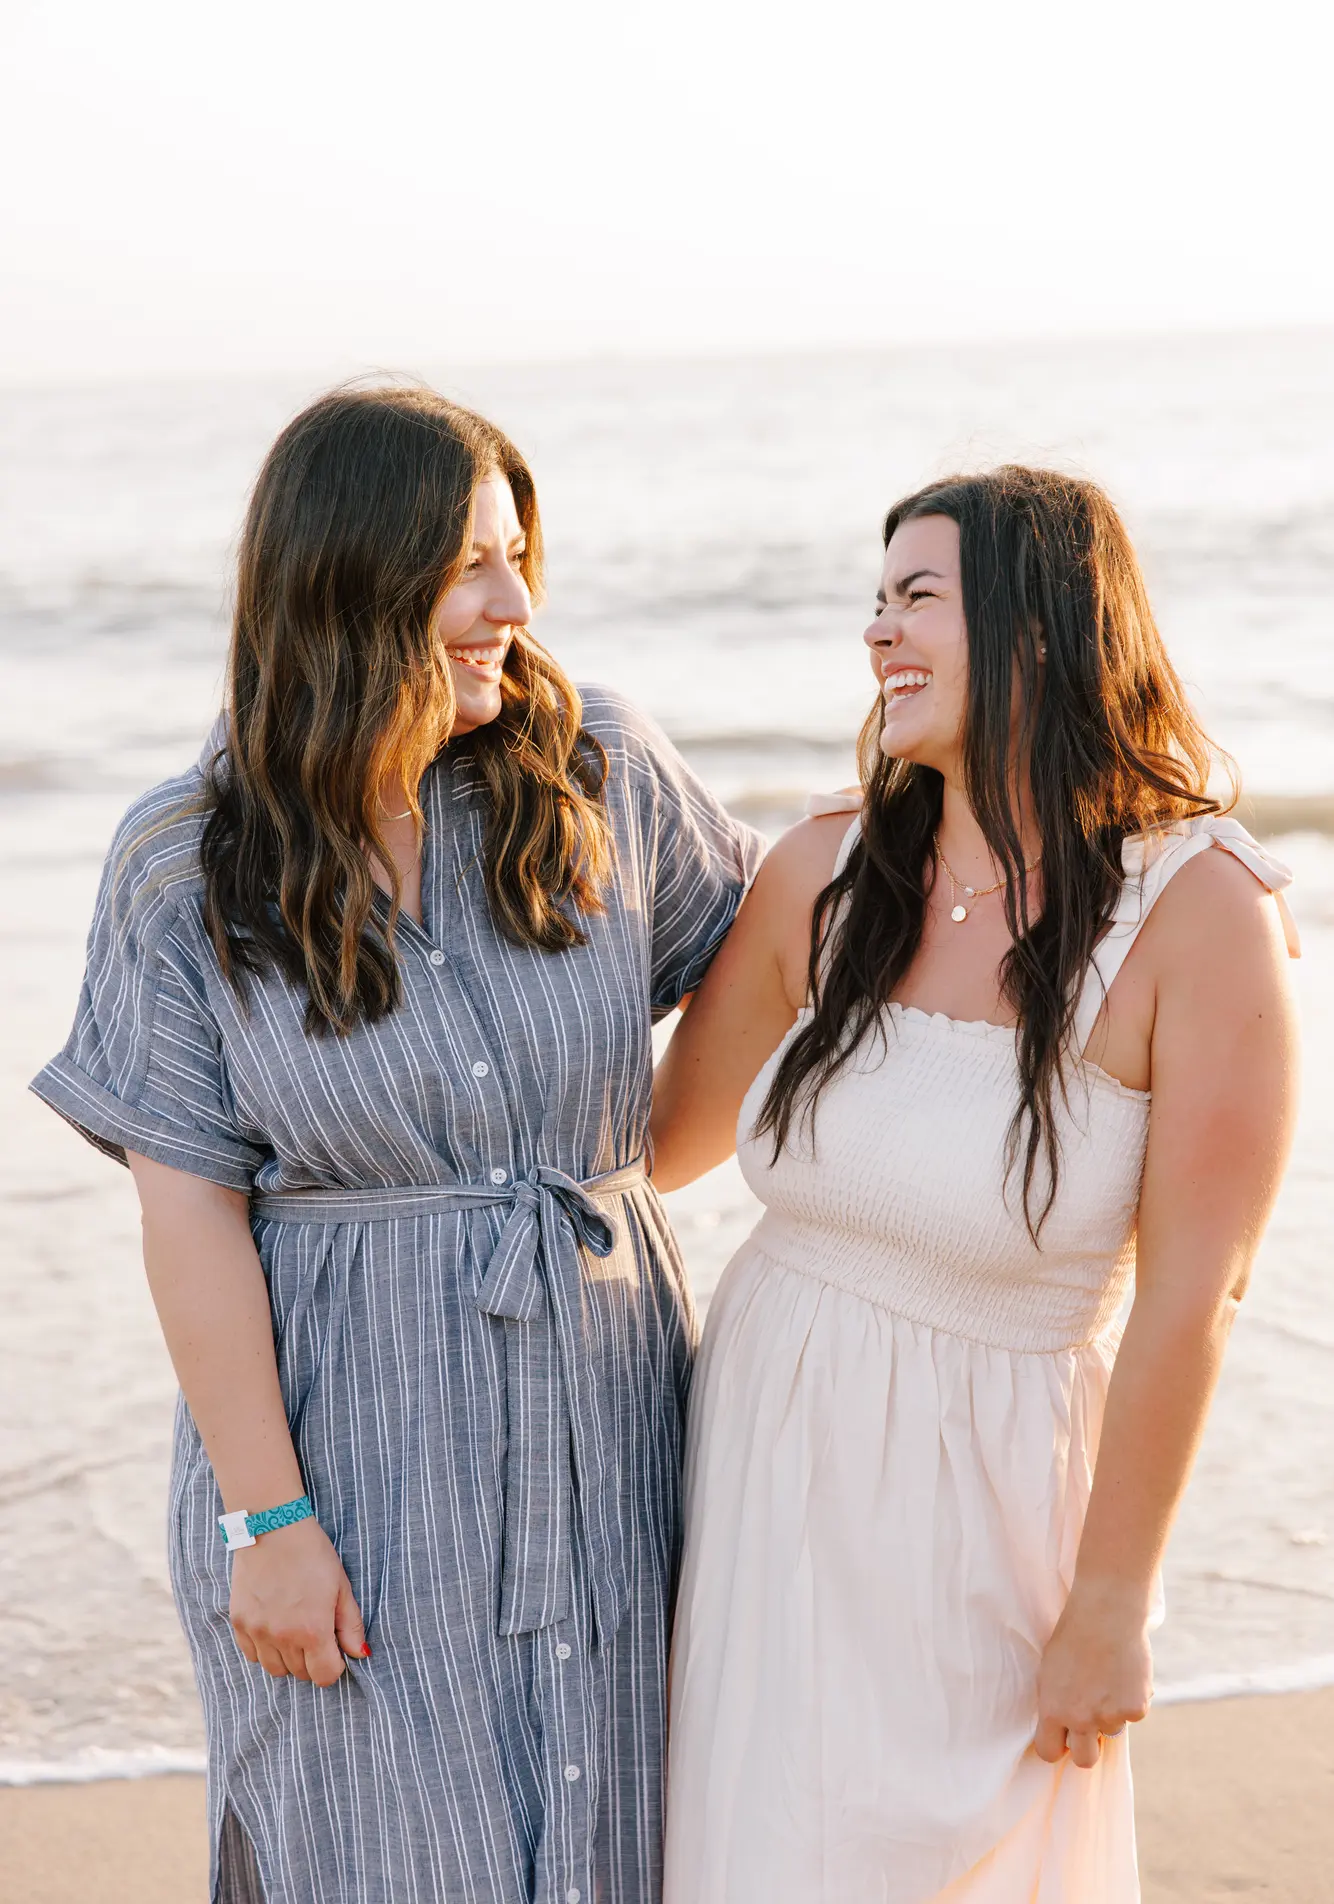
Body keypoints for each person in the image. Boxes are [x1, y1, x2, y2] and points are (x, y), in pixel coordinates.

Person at [32, 384, 761, 1904]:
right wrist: (270, 1522)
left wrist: (631, 1173)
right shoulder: (188, 859)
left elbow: (785, 948)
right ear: (349, 581)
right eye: (469, 566)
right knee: (378, 1850)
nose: (515, 605)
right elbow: (189, 1217)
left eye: (518, 559)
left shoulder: (603, 773)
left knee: (623, 1829)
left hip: (611, 1421)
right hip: (350, 1461)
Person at [651, 466, 1300, 1902]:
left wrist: (1112, 1602)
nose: (877, 631)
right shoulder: (824, 870)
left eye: (918, 597)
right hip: (761, 1477)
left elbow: (1197, 1297)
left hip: (988, 1517)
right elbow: (645, 1149)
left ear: (1042, 626)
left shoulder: (1198, 911)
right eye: (875, 601)